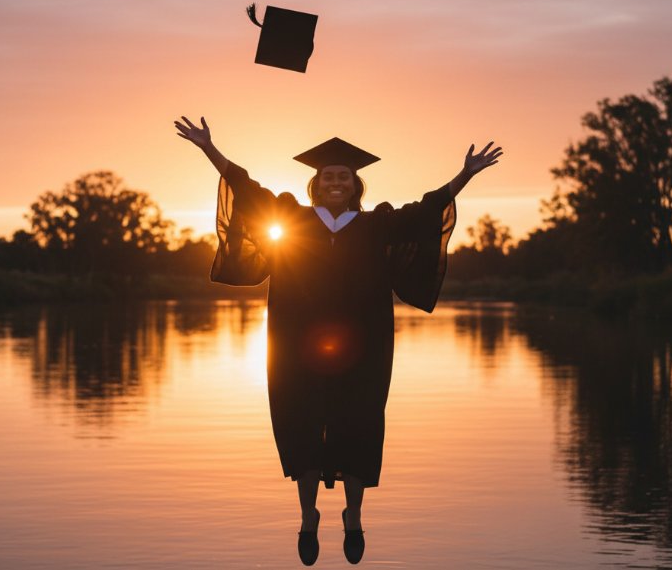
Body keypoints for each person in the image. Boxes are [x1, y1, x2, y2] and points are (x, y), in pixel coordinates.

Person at [175, 116, 502, 565]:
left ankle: (352, 515)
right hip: (295, 344)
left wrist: (465, 174)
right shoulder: (291, 218)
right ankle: (308, 516)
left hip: (363, 346)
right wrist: (209, 149)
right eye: (327, 176)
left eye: (343, 177)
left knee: (358, 424)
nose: (335, 181)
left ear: (355, 186)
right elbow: (248, 191)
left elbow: (427, 211)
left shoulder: (376, 227)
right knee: (301, 422)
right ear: (315, 184)